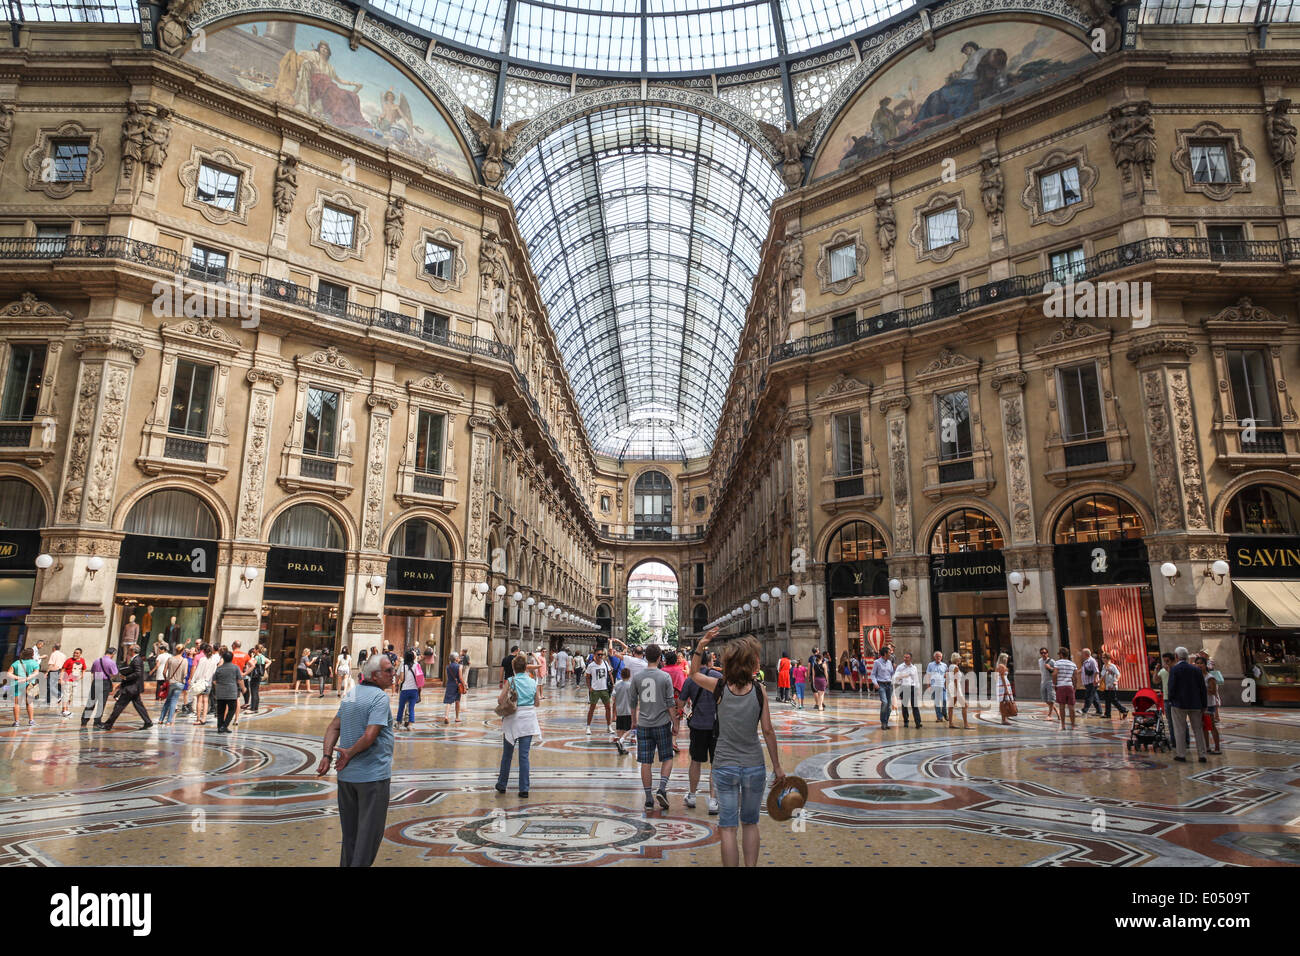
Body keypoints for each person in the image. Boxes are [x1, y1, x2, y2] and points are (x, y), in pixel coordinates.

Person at [687, 630, 785, 867]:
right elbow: (768, 730)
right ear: (753, 664)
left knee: (728, 827)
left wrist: (701, 644)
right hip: (754, 765)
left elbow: (692, 674)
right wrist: (778, 767)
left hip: (724, 766)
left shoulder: (719, 687)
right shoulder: (760, 691)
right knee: (750, 823)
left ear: (728, 662)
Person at [318, 653, 396, 867]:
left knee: (351, 835)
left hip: (347, 778)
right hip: (372, 777)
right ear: (374, 675)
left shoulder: (352, 693)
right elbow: (370, 736)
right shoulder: (380, 698)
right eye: (388, 670)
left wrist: (326, 756)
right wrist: (349, 753)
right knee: (368, 837)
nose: (393, 674)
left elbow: (334, 726)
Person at [630, 644, 677, 811]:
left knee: (645, 762)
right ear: (659, 658)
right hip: (662, 723)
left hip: (643, 724)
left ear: (644, 657)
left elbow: (633, 701)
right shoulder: (664, 677)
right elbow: (671, 703)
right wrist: (675, 723)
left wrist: (633, 721)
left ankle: (648, 798)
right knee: (667, 757)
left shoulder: (637, 677)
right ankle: (662, 788)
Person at [678, 653, 722, 813]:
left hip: (697, 726)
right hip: (717, 726)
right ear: (710, 661)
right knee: (715, 764)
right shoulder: (719, 677)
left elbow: (680, 703)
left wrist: (687, 712)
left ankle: (692, 795)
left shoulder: (691, 679)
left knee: (696, 761)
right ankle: (713, 800)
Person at [496, 654, 540, 797]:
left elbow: (500, 699)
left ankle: (502, 784)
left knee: (507, 754)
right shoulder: (533, 682)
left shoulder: (511, 680)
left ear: (514, 667)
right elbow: (537, 703)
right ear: (526, 667)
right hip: (528, 720)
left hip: (512, 720)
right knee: (524, 755)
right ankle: (524, 789)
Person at [1167, 647, 1208, 763]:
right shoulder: (1196, 670)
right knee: (1198, 729)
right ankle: (1202, 755)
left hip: (1179, 704)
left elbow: (1171, 687)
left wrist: (1171, 700)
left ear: (1176, 656)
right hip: (1196, 704)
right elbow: (1202, 689)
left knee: (1179, 729)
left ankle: (1181, 754)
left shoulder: (1174, 670)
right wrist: (1204, 704)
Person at [101, 644, 153, 732]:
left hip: (131, 688)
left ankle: (108, 725)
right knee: (138, 705)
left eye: (130, 649)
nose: (128, 650)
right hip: (134, 688)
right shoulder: (137, 659)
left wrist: (126, 678)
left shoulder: (136, 660)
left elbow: (138, 673)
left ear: (133, 651)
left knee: (119, 706)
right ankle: (148, 722)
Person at [82, 646, 119, 728]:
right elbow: (115, 673)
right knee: (101, 703)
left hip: (96, 681)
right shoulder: (111, 662)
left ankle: (84, 720)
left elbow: (92, 671)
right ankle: (97, 721)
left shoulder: (96, 661)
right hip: (104, 682)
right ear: (113, 654)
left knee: (91, 702)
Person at [211, 649, 244, 734]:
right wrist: (243, 688)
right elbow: (240, 680)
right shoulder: (235, 668)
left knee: (220, 711)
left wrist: (220, 686)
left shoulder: (219, 669)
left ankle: (220, 727)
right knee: (232, 709)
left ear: (223, 658)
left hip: (220, 693)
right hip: (231, 692)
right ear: (232, 658)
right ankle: (224, 726)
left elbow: (214, 681)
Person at [1196, 654, 1223, 755]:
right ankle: (1207, 747)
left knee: (1211, 726)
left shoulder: (1210, 677)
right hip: (1201, 704)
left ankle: (1217, 747)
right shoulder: (1197, 677)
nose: (1199, 665)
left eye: (1201, 663)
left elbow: (1213, 691)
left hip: (1209, 704)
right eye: (1197, 663)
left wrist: (1202, 689)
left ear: (1205, 664)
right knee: (1203, 726)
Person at [584, 647, 613, 736]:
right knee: (592, 708)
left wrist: (613, 684)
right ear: (595, 655)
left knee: (608, 707)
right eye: (598, 654)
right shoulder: (591, 665)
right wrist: (589, 687)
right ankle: (588, 727)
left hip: (604, 689)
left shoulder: (605, 663)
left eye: (602, 654)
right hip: (595, 690)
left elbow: (610, 674)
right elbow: (587, 677)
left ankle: (609, 726)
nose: (600, 656)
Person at [8, 648, 39, 727]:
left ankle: (17, 722)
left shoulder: (17, 662)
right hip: (30, 684)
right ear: (32, 655)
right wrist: (27, 678)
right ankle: (31, 720)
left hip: (17, 684)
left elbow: (9, 674)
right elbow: (35, 673)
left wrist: (18, 677)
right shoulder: (34, 663)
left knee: (17, 703)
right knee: (29, 703)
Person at [1050, 647, 1078, 731]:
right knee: (1071, 707)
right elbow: (1075, 677)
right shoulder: (1073, 664)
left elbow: (1054, 674)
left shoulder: (1057, 663)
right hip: (1069, 686)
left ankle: (1063, 725)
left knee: (1061, 706)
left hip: (1061, 686)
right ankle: (1073, 725)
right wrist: (1075, 686)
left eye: (1059, 654)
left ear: (1061, 654)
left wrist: (1054, 684)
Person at [191, 644, 219, 726]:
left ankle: (198, 718)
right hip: (208, 682)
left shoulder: (202, 660)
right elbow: (214, 672)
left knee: (199, 700)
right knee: (206, 701)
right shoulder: (214, 661)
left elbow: (197, 671)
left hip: (200, 681)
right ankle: (204, 718)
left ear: (204, 651)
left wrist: (193, 681)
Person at [159, 649, 187, 725]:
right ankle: (169, 721)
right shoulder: (184, 660)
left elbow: (164, 672)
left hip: (171, 682)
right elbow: (185, 674)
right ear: (182, 652)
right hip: (180, 683)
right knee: (173, 702)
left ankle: (161, 719)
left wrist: (166, 679)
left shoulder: (170, 659)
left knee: (168, 700)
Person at [894, 652, 922, 728]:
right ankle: (906, 721)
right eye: (904, 657)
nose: (905, 659)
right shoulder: (900, 667)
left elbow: (916, 679)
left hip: (913, 687)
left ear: (910, 659)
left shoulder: (914, 668)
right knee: (904, 706)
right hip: (904, 687)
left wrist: (918, 689)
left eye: (907, 657)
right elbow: (896, 678)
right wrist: (901, 680)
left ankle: (918, 722)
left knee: (915, 706)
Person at [870, 646, 895, 730]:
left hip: (889, 685)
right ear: (884, 654)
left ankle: (886, 722)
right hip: (881, 685)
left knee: (889, 706)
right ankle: (883, 722)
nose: (890, 654)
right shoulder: (877, 662)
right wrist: (875, 683)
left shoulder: (889, 662)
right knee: (884, 702)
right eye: (889, 653)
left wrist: (894, 670)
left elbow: (891, 673)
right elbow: (873, 674)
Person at [612, 666, 634, 756]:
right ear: (629, 676)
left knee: (620, 729)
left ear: (621, 675)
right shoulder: (631, 685)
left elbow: (613, 698)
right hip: (629, 711)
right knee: (631, 728)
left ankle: (621, 746)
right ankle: (621, 741)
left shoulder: (617, 684)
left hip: (619, 710)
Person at [396, 650, 421, 730]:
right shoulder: (417, 665)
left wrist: (398, 682)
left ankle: (398, 723)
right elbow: (420, 678)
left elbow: (402, 678)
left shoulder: (403, 665)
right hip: (414, 690)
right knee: (411, 708)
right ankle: (410, 725)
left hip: (405, 689)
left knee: (401, 707)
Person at [1156, 651, 1176, 747]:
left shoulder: (1176, 670)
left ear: (1173, 661)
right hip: (1166, 699)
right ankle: (1174, 741)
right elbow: (1156, 680)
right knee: (1170, 721)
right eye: (1164, 661)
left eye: (1167, 661)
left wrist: (1169, 670)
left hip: (1176, 699)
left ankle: (1186, 740)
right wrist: (1156, 670)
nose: (1166, 663)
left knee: (1180, 721)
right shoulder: (1163, 671)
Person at [1100, 653, 1128, 718]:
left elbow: (1118, 674)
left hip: (1111, 685)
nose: (1103, 659)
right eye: (1102, 657)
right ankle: (1107, 714)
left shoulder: (1112, 666)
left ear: (1108, 658)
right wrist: (1099, 681)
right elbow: (1103, 675)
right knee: (1107, 700)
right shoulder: (1104, 666)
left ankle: (1124, 710)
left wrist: (1116, 681)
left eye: (1104, 658)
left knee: (1113, 699)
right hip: (1106, 685)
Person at [946, 651, 969, 730]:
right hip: (955, 687)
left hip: (952, 686)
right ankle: (966, 725)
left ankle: (950, 723)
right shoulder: (955, 667)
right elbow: (956, 680)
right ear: (956, 659)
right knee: (965, 705)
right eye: (959, 658)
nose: (960, 659)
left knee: (951, 706)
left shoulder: (950, 666)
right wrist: (958, 691)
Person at [60, 648, 85, 717]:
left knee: (71, 696)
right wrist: (61, 679)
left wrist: (82, 676)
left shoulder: (82, 660)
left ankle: (66, 710)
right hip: (67, 680)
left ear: (80, 654)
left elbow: (84, 669)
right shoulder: (69, 660)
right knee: (66, 695)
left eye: (77, 653)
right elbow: (63, 669)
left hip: (75, 681)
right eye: (74, 652)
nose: (75, 654)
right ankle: (64, 710)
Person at [926, 650, 948, 722]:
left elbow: (947, 676)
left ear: (941, 657)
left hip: (943, 686)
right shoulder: (930, 665)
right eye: (937, 656)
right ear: (934, 657)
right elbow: (928, 676)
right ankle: (939, 717)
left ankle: (945, 713)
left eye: (940, 656)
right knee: (937, 702)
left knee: (944, 700)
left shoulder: (944, 665)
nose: (938, 658)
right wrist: (928, 686)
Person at [1037, 647, 1059, 721]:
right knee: (1045, 699)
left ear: (1047, 653)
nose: (1043, 654)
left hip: (1050, 682)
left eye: (1045, 653)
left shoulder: (1052, 661)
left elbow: (1056, 671)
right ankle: (1057, 711)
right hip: (1043, 681)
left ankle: (1049, 715)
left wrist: (1050, 668)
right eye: (1042, 653)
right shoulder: (1039, 661)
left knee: (1051, 699)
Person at [1079, 648, 1102, 716]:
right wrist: (1077, 672)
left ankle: (1084, 710)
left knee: (1089, 696)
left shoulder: (1092, 661)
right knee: (1094, 697)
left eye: (1082, 653)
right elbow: (1083, 669)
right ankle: (1099, 711)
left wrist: (1095, 680)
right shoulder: (1085, 661)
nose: (1081, 655)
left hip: (1092, 682)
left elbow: (1096, 671)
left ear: (1086, 654)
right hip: (1087, 682)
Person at [443, 650, 463, 724]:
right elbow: (460, 677)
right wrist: (464, 684)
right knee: (457, 701)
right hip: (457, 686)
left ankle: (446, 716)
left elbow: (447, 676)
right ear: (456, 659)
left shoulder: (447, 667)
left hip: (450, 685)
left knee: (449, 702)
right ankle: (457, 717)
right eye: (458, 657)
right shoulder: (459, 666)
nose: (459, 658)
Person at [44, 643, 65, 709]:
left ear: (54, 648)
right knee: (53, 686)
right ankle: (48, 701)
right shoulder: (63, 655)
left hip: (53, 671)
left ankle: (58, 695)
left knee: (49, 686)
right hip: (60, 671)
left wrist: (47, 672)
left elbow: (51, 664)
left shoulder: (53, 654)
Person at [995, 653, 1015, 725]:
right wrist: (1006, 688)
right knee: (1003, 702)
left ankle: (1004, 718)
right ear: (1003, 659)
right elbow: (1003, 677)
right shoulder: (1001, 666)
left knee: (1004, 702)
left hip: (1002, 685)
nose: (1007, 659)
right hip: (1003, 685)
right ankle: (1004, 719)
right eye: (1006, 658)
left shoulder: (1000, 666)